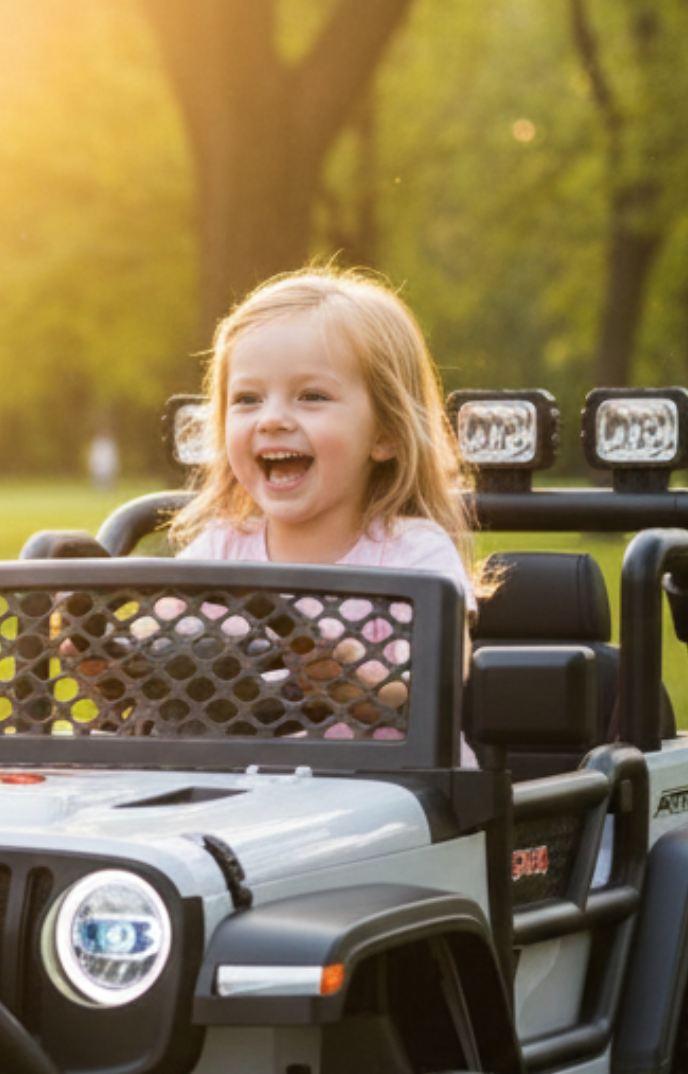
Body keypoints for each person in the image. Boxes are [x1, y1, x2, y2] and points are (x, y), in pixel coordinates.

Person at [161, 267, 483, 751]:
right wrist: (109, 658)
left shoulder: (412, 553)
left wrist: (360, 679)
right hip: (238, 795)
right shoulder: (220, 548)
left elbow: (438, 686)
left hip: (395, 799)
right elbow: (157, 645)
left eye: (311, 396)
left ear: (386, 434)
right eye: (247, 399)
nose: (271, 419)